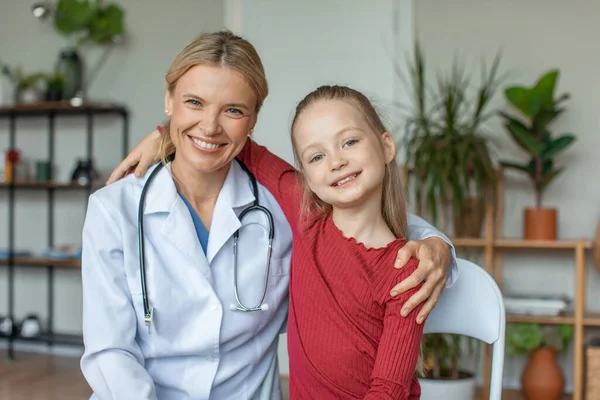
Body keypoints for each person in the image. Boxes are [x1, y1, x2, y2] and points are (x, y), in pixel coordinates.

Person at [83, 30, 456, 400]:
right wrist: (167, 135)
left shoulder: (284, 205)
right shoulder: (112, 209)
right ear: (169, 101)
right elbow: (110, 352)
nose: (210, 126)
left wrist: (436, 243)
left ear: (252, 121)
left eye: (233, 110)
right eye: (193, 103)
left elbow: (362, 226)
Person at [233, 84, 427, 398]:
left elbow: (388, 391)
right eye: (317, 156)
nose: (336, 161)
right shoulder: (306, 216)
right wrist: (165, 135)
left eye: (349, 141)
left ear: (386, 146)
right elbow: (236, 143)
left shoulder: (406, 269)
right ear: (306, 178)